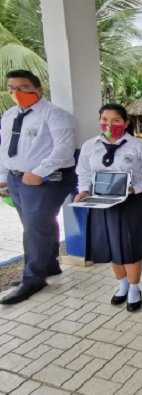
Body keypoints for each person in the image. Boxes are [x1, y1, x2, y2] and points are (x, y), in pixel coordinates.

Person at [0, 70, 76, 305]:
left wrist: (38, 173)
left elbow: (64, 149)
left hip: (46, 179)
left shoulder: (54, 115)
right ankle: (49, 264)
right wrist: (3, 175)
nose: (16, 92)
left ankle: (33, 278)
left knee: (34, 227)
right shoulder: (9, 115)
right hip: (16, 178)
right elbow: (5, 146)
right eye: (11, 88)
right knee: (36, 224)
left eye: (22, 87)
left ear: (38, 89)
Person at [75, 103, 142, 312]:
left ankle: (134, 288)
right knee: (110, 244)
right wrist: (84, 190)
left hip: (129, 203)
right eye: (104, 120)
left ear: (126, 123)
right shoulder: (89, 146)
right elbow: (83, 172)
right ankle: (121, 285)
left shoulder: (137, 146)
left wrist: (135, 189)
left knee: (130, 246)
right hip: (101, 202)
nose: (109, 125)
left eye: (116, 121)